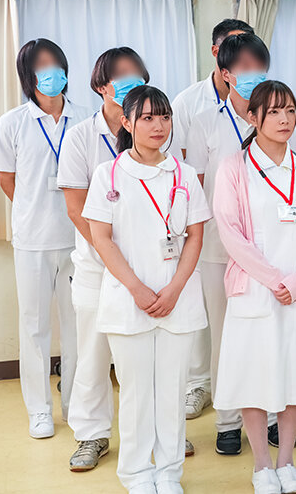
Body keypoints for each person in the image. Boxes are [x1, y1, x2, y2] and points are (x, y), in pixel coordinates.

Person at [59, 47, 185, 471]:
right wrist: (115, 260)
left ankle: (161, 434)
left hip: (154, 270)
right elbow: (76, 208)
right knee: (94, 354)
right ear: (101, 86)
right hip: (98, 268)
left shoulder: (159, 137)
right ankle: (92, 434)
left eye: (138, 75)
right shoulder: (80, 136)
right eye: (122, 76)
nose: (133, 83)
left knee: (153, 359)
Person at [83, 85, 210, 494]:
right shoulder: (109, 174)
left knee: (172, 392)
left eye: (165, 117)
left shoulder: (184, 174)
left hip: (177, 298)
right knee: (136, 393)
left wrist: (174, 289)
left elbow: (195, 236)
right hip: (128, 300)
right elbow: (101, 238)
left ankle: (169, 472)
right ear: (127, 122)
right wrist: (138, 289)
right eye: (148, 117)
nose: (159, 126)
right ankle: (137, 474)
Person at [212, 80, 296, 494]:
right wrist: (275, 279)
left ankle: (286, 462)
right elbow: (230, 231)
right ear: (253, 117)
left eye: (290, 111)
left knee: (294, 374)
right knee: (254, 377)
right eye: (275, 111)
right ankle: (262, 464)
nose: (284, 119)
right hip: (256, 289)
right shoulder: (234, 168)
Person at [184, 32, 282, 454]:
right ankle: (227, 421)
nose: (252, 73)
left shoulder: (276, 118)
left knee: (268, 334)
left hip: (270, 252)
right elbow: (195, 188)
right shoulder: (205, 121)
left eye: (259, 66)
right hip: (218, 250)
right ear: (225, 74)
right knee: (225, 336)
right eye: (243, 67)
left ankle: (273, 415)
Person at [0, 38, 91, 439]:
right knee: (34, 327)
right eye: (41, 65)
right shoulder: (11, 122)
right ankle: (39, 410)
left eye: (56, 63)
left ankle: (75, 404)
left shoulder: (85, 118)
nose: (51, 72)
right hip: (32, 240)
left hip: (78, 238)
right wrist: (33, 211)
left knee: (77, 327)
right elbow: (7, 180)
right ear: (28, 76)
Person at [172, 18, 253, 160]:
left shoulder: (264, 101)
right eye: (234, 48)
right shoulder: (187, 102)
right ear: (215, 51)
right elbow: (180, 160)